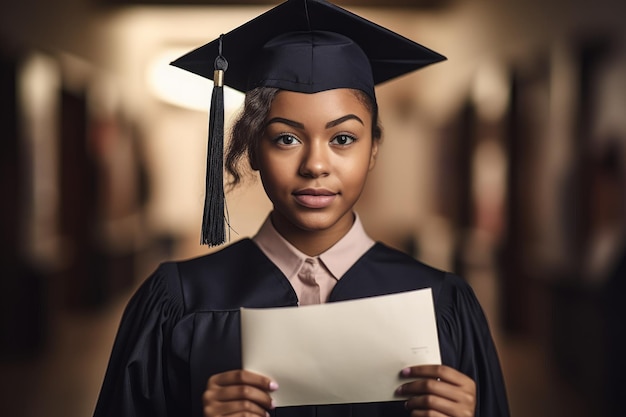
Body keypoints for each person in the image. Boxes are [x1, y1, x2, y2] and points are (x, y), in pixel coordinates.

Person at [93, 1, 510, 416]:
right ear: (253, 150)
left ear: (374, 150)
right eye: (286, 139)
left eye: (343, 139)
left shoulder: (443, 304)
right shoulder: (180, 300)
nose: (315, 165)